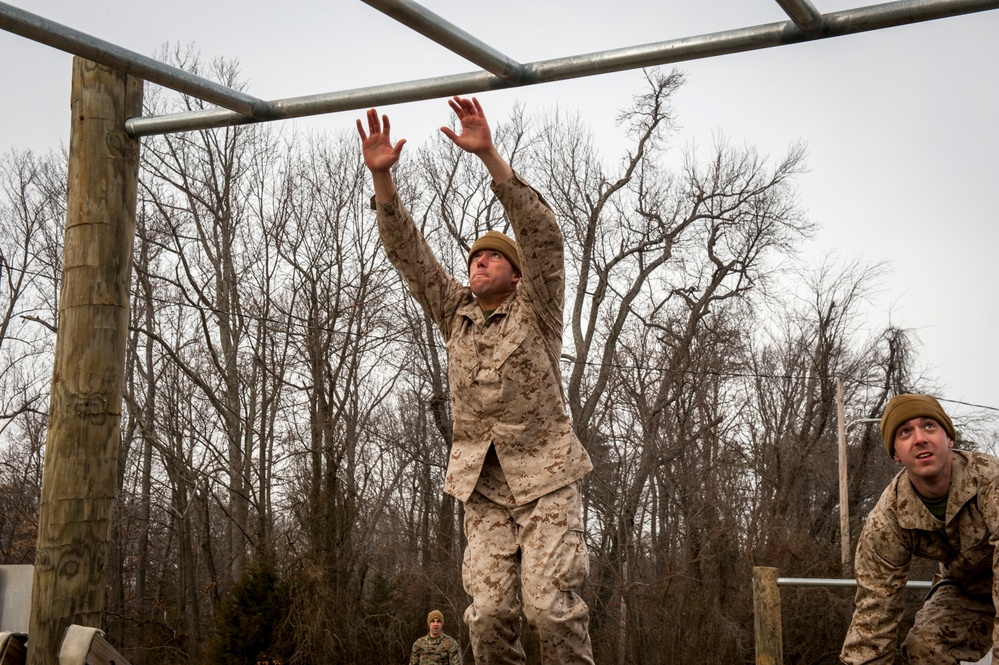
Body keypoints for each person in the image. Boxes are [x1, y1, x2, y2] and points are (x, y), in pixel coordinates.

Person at [357, 96, 594, 665]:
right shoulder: (454, 313)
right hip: (483, 490)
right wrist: (383, 181)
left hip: (545, 482)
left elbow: (542, 236)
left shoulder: (536, 309)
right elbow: (409, 257)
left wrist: (489, 155)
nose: (478, 262)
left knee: (548, 611)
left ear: (516, 274)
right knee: (487, 618)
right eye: (474, 258)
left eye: (492, 257)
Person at [840, 393, 999, 664]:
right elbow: (874, 614)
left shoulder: (990, 481)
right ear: (894, 453)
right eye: (904, 432)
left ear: (949, 438)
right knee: (925, 646)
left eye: (929, 426)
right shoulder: (887, 520)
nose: (919, 438)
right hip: (968, 589)